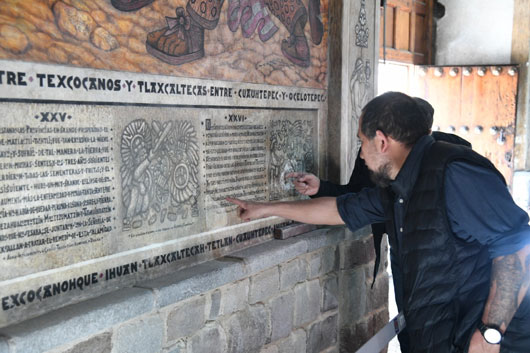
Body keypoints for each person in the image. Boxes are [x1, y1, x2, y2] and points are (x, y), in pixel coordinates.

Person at [227, 92, 530, 353]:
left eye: (362, 142)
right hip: (440, 338)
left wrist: (491, 334)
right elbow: (338, 209)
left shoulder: (454, 172)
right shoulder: (397, 188)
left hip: (488, 341)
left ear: (382, 141)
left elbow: (516, 248)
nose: (361, 152)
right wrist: (264, 208)